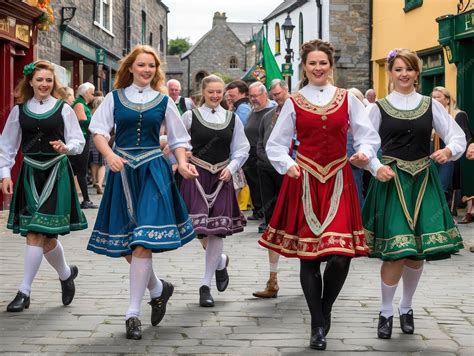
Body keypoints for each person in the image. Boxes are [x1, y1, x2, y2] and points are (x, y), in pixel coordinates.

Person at [258, 40, 381, 350]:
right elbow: (276, 144)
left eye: (322, 63)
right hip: (305, 180)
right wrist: (288, 165)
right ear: (304, 67)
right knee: (310, 256)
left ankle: (325, 310)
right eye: (312, 63)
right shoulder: (295, 101)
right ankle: (316, 324)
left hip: (339, 177)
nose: (317, 68)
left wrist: (364, 154)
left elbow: (367, 136)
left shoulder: (347, 99)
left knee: (340, 257)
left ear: (330, 66)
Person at [86, 45, 198, 340]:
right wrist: (109, 154)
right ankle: (159, 289)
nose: (147, 70)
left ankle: (132, 314)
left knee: (142, 242)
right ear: (131, 68)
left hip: (152, 172)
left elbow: (178, 138)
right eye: (142, 65)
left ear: (156, 70)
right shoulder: (114, 98)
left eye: (152, 66)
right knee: (127, 245)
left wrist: (183, 165)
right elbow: (97, 130)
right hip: (122, 171)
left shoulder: (163, 101)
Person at [363, 48, 466, 340]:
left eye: (408, 69)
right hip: (392, 181)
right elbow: (367, 143)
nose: (404, 74)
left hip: (423, 179)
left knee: (417, 252)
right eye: (398, 69)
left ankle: (406, 307)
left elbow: (456, 136)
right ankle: (385, 311)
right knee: (396, 251)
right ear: (391, 73)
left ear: (416, 73)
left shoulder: (430, 105)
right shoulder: (378, 107)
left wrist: (448, 150)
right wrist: (374, 166)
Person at [0, 60, 87, 312]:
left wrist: (66, 147)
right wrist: (5, 174)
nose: (44, 84)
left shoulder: (64, 109)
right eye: (40, 80)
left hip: (56, 173)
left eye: (49, 80)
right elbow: (6, 145)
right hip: (29, 173)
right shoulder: (19, 111)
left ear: (53, 83)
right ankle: (66, 274)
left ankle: (24, 291)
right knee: (43, 237)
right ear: (31, 82)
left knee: (38, 233)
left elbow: (77, 141)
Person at [180, 75, 249, 307]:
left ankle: (205, 285)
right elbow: (177, 141)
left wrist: (231, 168)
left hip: (222, 176)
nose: (215, 95)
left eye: (220, 92)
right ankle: (220, 262)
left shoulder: (232, 118)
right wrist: (184, 155)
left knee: (217, 230)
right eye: (211, 91)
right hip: (197, 176)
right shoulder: (190, 116)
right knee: (200, 230)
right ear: (203, 91)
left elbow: (242, 148)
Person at [252, 79, 288, 299]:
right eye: (274, 95)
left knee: (298, 225)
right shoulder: (268, 117)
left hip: (293, 174)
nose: (277, 98)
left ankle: (311, 276)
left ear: (286, 91)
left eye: (279, 94)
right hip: (267, 171)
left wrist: (286, 164)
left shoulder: (298, 114)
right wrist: (272, 161)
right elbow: (260, 145)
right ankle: (272, 280)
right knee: (272, 223)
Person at [244, 82, 276, 221]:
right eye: (251, 96)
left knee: (266, 186)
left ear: (265, 94)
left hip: (265, 153)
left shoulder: (273, 109)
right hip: (251, 153)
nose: (253, 99)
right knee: (254, 184)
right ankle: (258, 210)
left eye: (256, 96)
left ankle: (267, 213)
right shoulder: (252, 110)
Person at [69, 82, 97, 209]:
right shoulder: (79, 104)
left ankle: (82, 199)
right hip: (81, 140)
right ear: (85, 93)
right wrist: (96, 122)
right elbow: (83, 121)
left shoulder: (81, 103)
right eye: (92, 93)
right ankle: (85, 200)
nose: (93, 96)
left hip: (82, 139)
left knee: (78, 170)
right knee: (81, 171)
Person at [89, 95, 106, 194]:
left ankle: (94, 180)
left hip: (92, 138)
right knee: (102, 163)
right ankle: (99, 183)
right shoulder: (104, 113)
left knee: (93, 161)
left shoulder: (91, 112)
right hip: (102, 137)